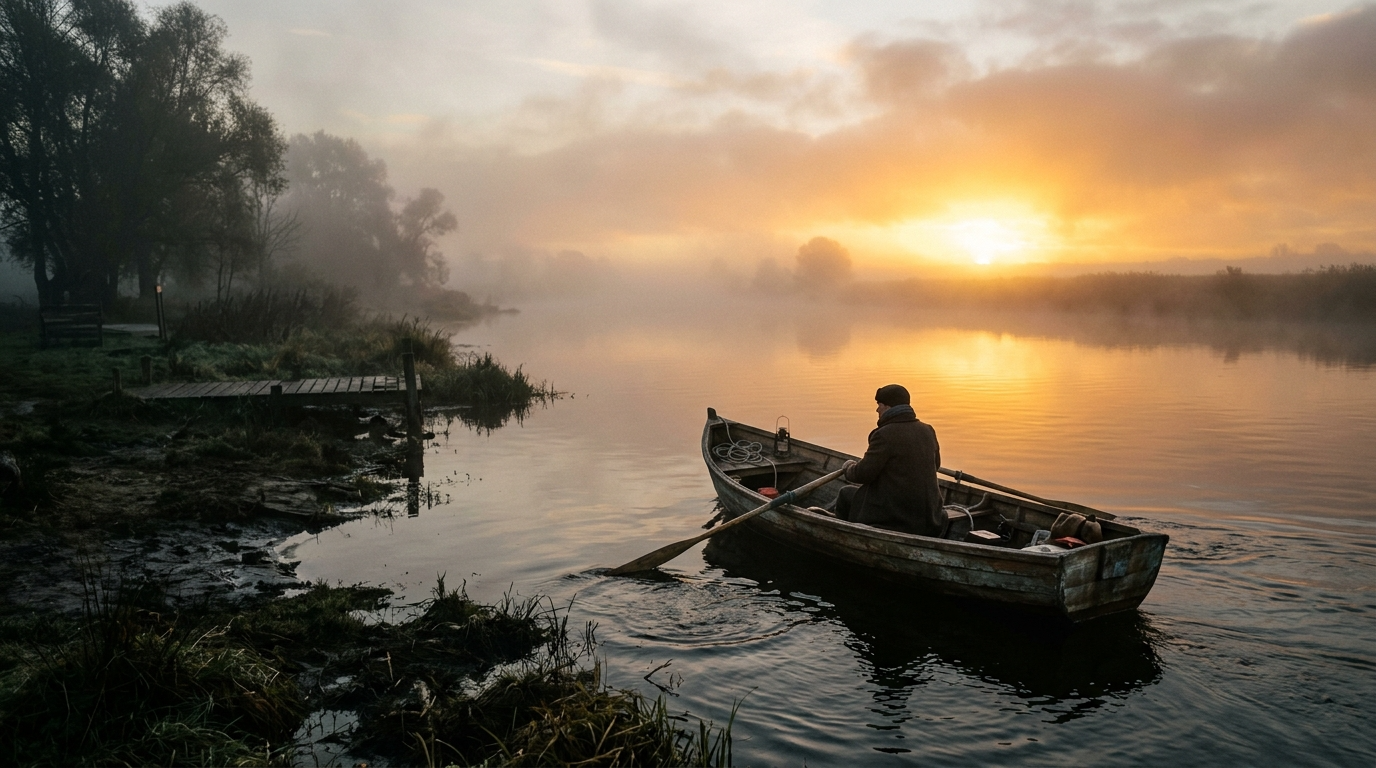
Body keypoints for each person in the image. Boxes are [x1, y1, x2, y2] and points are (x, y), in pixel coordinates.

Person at [835, 384, 945, 537]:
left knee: (845, 493)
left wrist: (848, 467)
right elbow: (936, 466)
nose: (877, 410)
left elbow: (862, 475)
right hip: (931, 517)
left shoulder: (884, 435)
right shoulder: (928, 430)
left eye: (879, 405)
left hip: (897, 517)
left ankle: (845, 538)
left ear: (888, 407)